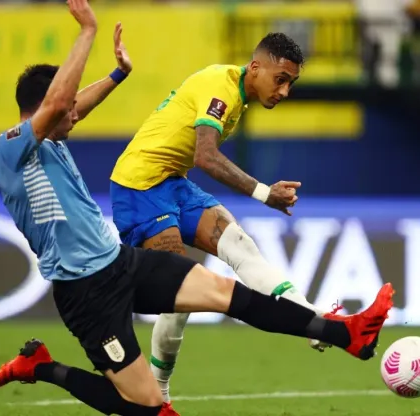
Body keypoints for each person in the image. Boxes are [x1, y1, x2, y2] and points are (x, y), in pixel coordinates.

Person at [0, 2, 395, 415]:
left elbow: (68, 108)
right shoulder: (11, 149)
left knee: (226, 293)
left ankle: (346, 333)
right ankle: (45, 369)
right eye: (66, 106)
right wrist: (88, 31)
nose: (75, 113)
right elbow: (60, 107)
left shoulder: (51, 141)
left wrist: (118, 74)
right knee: (145, 408)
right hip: (86, 289)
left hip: (119, 261)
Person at [109, 31, 345, 405]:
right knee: (179, 291)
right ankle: (157, 395)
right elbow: (205, 155)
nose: (284, 91)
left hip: (172, 181)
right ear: (255, 67)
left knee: (241, 247)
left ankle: (312, 320)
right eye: (280, 79)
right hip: (139, 186)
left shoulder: (237, 93)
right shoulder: (222, 88)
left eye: (291, 83)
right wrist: (264, 193)